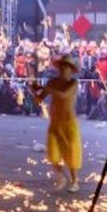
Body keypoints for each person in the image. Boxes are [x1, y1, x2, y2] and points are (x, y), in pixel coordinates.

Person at [30, 55, 82, 192]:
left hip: (69, 123)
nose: (63, 69)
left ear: (71, 70)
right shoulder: (52, 82)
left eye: (66, 67)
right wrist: (35, 92)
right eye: (61, 67)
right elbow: (40, 99)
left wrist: (45, 87)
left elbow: (63, 95)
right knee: (53, 153)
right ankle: (61, 176)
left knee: (71, 153)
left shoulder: (73, 83)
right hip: (55, 123)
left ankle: (75, 180)